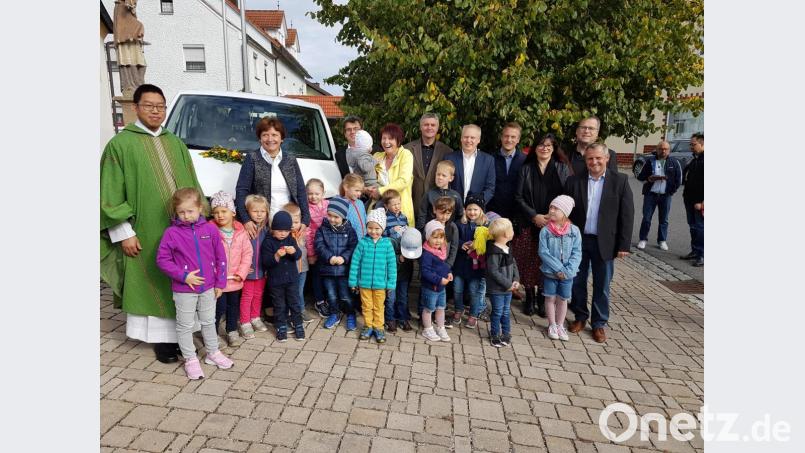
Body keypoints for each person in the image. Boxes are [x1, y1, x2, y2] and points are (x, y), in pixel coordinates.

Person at [101, 84, 205, 364]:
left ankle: (183, 334)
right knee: (155, 280)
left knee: (184, 276)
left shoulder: (175, 143)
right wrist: (123, 233)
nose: (156, 111)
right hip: (145, 230)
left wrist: (200, 222)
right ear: (136, 108)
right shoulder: (120, 145)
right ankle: (163, 339)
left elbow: (193, 185)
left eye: (160, 106)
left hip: (183, 229)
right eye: (149, 105)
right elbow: (110, 193)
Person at [155, 188, 233, 379]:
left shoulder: (210, 230)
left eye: (190, 211)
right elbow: (162, 260)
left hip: (209, 288)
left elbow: (221, 257)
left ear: (200, 208)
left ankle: (213, 353)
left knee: (209, 321)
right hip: (184, 290)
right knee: (185, 325)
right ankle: (190, 359)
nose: (186, 216)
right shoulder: (171, 233)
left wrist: (220, 283)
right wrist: (184, 276)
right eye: (181, 212)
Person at [564, 143, 634, 343]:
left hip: (606, 241)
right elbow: (566, 210)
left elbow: (627, 214)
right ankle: (580, 317)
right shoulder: (573, 181)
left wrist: (624, 245)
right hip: (579, 240)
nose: (594, 162)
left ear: (607, 159)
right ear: (585, 160)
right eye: (590, 158)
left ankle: (599, 323)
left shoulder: (620, 181)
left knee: (602, 284)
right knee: (577, 281)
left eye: (598, 158)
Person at [513, 133, 572, 317]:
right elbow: (518, 197)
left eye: (548, 145)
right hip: (529, 222)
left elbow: (567, 196)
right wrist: (534, 216)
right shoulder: (526, 168)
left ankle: (542, 298)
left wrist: (555, 217)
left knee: (547, 262)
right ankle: (530, 297)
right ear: (535, 148)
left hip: (554, 224)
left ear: (554, 148)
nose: (544, 148)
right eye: (540, 145)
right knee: (528, 261)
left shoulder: (562, 168)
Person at [235, 117, 310, 235]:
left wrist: (305, 220)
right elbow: (241, 190)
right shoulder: (252, 158)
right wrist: (246, 220)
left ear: (282, 138)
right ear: (260, 138)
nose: (270, 139)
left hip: (288, 225)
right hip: (260, 226)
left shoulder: (290, 159)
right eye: (265, 135)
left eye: (274, 135)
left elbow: (300, 191)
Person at [210, 191, 253, 347]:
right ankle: (212, 334)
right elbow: (208, 257)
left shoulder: (241, 233)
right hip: (218, 282)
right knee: (218, 308)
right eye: (216, 212)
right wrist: (214, 275)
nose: (220, 215)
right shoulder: (210, 232)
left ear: (233, 212)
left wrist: (241, 273)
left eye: (224, 211)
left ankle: (232, 330)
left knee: (233, 307)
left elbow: (247, 254)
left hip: (235, 279)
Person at [538, 195, 582, 342]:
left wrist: (567, 271)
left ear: (565, 212)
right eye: (551, 207)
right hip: (551, 272)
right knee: (550, 297)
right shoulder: (545, 231)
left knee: (563, 299)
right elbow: (543, 252)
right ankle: (551, 324)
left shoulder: (574, 231)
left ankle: (560, 325)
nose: (552, 210)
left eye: (556, 208)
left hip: (568, 274)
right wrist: (558, 269)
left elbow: (577, 252)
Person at [349, 208, 397, 343]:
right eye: (370, 228)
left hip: (380, 285)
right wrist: (353, 281)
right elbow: (355, 263)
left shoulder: (387, 244)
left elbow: (392, 266)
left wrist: (391, 283)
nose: (373, 231)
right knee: (366, 306)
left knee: (379, 307)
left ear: (383, 228)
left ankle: (379, 327)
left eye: (377, 228)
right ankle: (368, 326)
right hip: (364, 284)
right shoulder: (362, 243)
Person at [315, 197, 360, 330]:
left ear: (343, 217)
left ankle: (351, 313)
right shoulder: (322, 229)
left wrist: (343, 258)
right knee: (331, 295)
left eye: (336, 217)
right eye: (330, 215)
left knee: (346, 295)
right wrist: (329, 257)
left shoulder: (350, 230)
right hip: (327, 269)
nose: (332, 219)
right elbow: (319, 246)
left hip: (344, 270)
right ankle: (334, 313)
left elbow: (353, 247)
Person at [261, 211, 304, 342]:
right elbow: (265, 262)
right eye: (279, 230)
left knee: (294, 303)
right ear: (273, 229)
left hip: (292, 280)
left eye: (286, 231)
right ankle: (281, 327)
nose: (283, 233)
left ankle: (298, 325)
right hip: (276, 282)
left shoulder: (291, 239)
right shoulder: (268, 242)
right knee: (279, 305)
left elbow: (298, 255)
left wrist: (294, 251)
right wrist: (276, 256)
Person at [636, 140, 683, 251]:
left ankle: (662, 240)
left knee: (664, 219)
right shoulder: (650, 161)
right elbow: (640, 177)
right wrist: (649, 179)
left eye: (666, 149)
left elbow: (679, 180)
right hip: (650, 195)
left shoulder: (674, 162)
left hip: (665, 196)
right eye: (661, 149)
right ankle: (643, 239)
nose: (663, 151)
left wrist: (671, 191)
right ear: (656, 150)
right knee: (646, 218)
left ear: (669, 150)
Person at [451, 194, 490, 329]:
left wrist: (477, 245)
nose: (472, 212)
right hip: (460, 264)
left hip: (476, 267)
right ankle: (458, 309)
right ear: (465, 210)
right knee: (457, 289)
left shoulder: (485, 226)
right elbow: (454, 239)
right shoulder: (459, 224)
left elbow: (488, 243)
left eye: (475, 209)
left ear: (481, 210)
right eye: (469, 209)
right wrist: (461, 244)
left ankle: (473, 314)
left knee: (474, 292)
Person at [405, 113, 453, 214]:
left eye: (433, 125)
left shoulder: (447, 151)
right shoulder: (407, 149)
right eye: (426, 125)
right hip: (411, 204)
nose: (429, 127)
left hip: (437, 208)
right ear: (420, 127)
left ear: (437, 128)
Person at [485, 218, 521, 348]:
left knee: (506, 311)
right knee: (497, 312)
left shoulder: (508, 247)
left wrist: (516, 279)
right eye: (511, 229)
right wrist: (508, 284)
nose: (513, 232)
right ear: (506, 234)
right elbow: (493, 271)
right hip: (497, 289)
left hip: (508, 288)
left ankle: (506, 333)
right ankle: (495, 334)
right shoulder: (494, 252)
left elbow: (514, 264)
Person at [371, 123, 416, 226]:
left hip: (399, 211)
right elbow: (368, 177)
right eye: (384, 138)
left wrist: (380, 191)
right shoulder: (377, 156)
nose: (386, 142)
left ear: (398, 141)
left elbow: (403, 181)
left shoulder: (406, 155)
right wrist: (367, 189)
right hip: (378, 208)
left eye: (390, 138)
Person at [238, 195, 270, 339]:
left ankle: (255, 317)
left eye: (262, 211)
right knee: (247, 296)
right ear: (248, 212)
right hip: (248, 271)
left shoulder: (266, 230)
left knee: (258, 295)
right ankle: (245, 322)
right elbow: (237, 250)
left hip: (262, 270)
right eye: (255, 211)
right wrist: (242, 267)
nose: (259, 214)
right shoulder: (243, 230)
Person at [419, 220, 453, 342]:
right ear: (428, 237)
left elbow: (443, 266)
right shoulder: (427, 254)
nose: (438, 241)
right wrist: (439, 280)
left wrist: (449, 272)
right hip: (431, 288)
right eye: (435, 237)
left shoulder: (440, 250)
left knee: (441, 307)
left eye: (441, 237)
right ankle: (427, 329)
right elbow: (425, 272)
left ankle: (440, 327)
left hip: (441, 288)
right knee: (428, 309)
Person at [446, 125, 496, 204]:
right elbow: (445, 184)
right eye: (466, 137)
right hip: (453, 207)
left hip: (477, 208)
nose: (468, 140)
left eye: (472, 137)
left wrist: (478, 204)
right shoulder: (449, 158)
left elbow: (490, 188)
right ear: (461, 138)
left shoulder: (488, 160)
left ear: (478, 140)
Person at [487, 123, 527, 221]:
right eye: (506, 136)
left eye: (513, 137)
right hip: (493, 213)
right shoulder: (490, 159)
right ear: (501, 137)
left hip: (518, 214)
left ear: (518, 139)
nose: (509, 140)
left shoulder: (525, 161)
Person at [283, 202, 313, 326]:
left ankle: (301, 309)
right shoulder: (284, 236)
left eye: (296, 222)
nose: (292, 225)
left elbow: (309, 246)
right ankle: (291, 312)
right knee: (292, 292)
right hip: (291, 270)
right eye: (290, 222)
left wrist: (311, 256)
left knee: (300, 291)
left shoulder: (303, 234)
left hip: (303, 268)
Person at [305, 179, 330, 317]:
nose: (313, 197)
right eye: (310, 193)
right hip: (315, 248)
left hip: (329, 247)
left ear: (323, 193)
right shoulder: (306, 209)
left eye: (317, 193)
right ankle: (319, 301)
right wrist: (310, 253)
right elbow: (307, 233)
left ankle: (329, 299)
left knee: (328, 274)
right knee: (317, 275)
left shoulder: (328, 205)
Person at [389, 227, 422, 332]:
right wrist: (398, 258)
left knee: (403, 298)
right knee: (391, 299)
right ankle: (390, 319)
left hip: (404, 276)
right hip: (392, 276)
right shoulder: (392, 242)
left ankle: (403, 318)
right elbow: (385, 257)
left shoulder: (416, 244)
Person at [416, 160, 464, 230]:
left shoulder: (456, 196)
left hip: (449, 233)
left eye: (444, 175)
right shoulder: (429, 194)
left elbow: (459, 216)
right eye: (438, 174)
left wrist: (453, 230)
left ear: (451, 178)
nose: (440, 177)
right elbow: (422, 216)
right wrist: (422, 232)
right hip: (432, 232)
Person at [681, 133, 704, 267]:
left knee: (700, 228)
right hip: (689, 199)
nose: (691, 147)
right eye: (690, 144)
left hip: (699, 201)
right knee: (693, 226)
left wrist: (703, 203)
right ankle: (695, 251)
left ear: (702, 144)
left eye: (693, 144)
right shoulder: (695, 159)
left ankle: (702, 254)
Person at [340, 173, 368, 240]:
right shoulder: (341, 204)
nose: (359, 194)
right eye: (356, 190)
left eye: (360, 191)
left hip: (364, 239)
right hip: (350, 241)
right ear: (346, 187)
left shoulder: (360, 203)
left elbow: (365, 219)